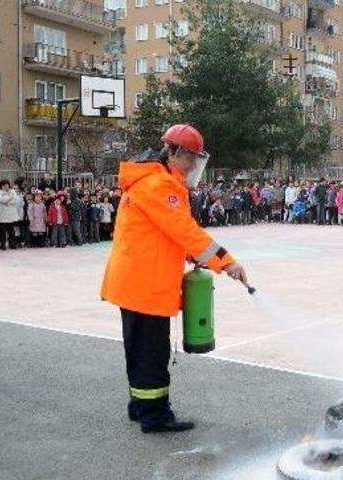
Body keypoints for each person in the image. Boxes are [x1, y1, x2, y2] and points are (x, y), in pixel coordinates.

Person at [101, 124, 247, 434]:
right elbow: (185, 231)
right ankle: (155, 416)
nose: (193, 165)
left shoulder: (155, 181)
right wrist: (226, 262)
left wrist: (195, 256)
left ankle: (140, 407)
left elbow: (166, 234)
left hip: (139, 281)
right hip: (145, 285)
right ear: (174, 153)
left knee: (140, 349)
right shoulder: (158, 186)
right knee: (152, 352)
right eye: (190, 158)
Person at [0, 180, 22, 250]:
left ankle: (13, 244)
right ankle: (3, 245)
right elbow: (1, 199)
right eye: (4, 185)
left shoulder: (12, 191)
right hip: (3, 214)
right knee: (3, 232)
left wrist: (8, 202)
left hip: (11, 214)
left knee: (11, 231)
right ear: (1, 186)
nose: (6, 186)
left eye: (7, 185)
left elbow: (17, 200)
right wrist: (10, 198)